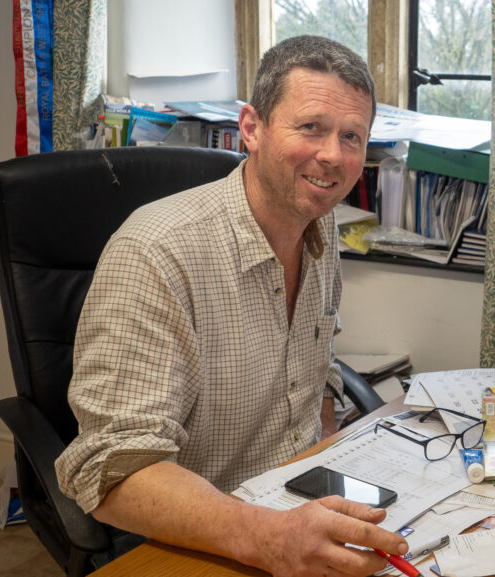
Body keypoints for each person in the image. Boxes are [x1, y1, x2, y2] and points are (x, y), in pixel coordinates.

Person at [55, 36, 408, 576]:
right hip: (199, 539)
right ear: (252, 129)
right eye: (311, 127)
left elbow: (316, 378)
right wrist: (268, 537)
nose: (333, 156)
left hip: (293, 511)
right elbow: (111, 469)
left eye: (351, 136)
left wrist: (329, 467)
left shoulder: (319, 225)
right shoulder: (156, 252)